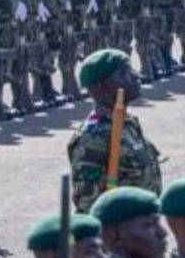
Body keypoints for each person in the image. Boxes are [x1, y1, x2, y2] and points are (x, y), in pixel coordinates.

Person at [68, 49, 161, 211]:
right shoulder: (93, 137)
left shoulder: (128, 122)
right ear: (100, 87)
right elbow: (88, 203)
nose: (135, 76)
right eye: (124, 74)